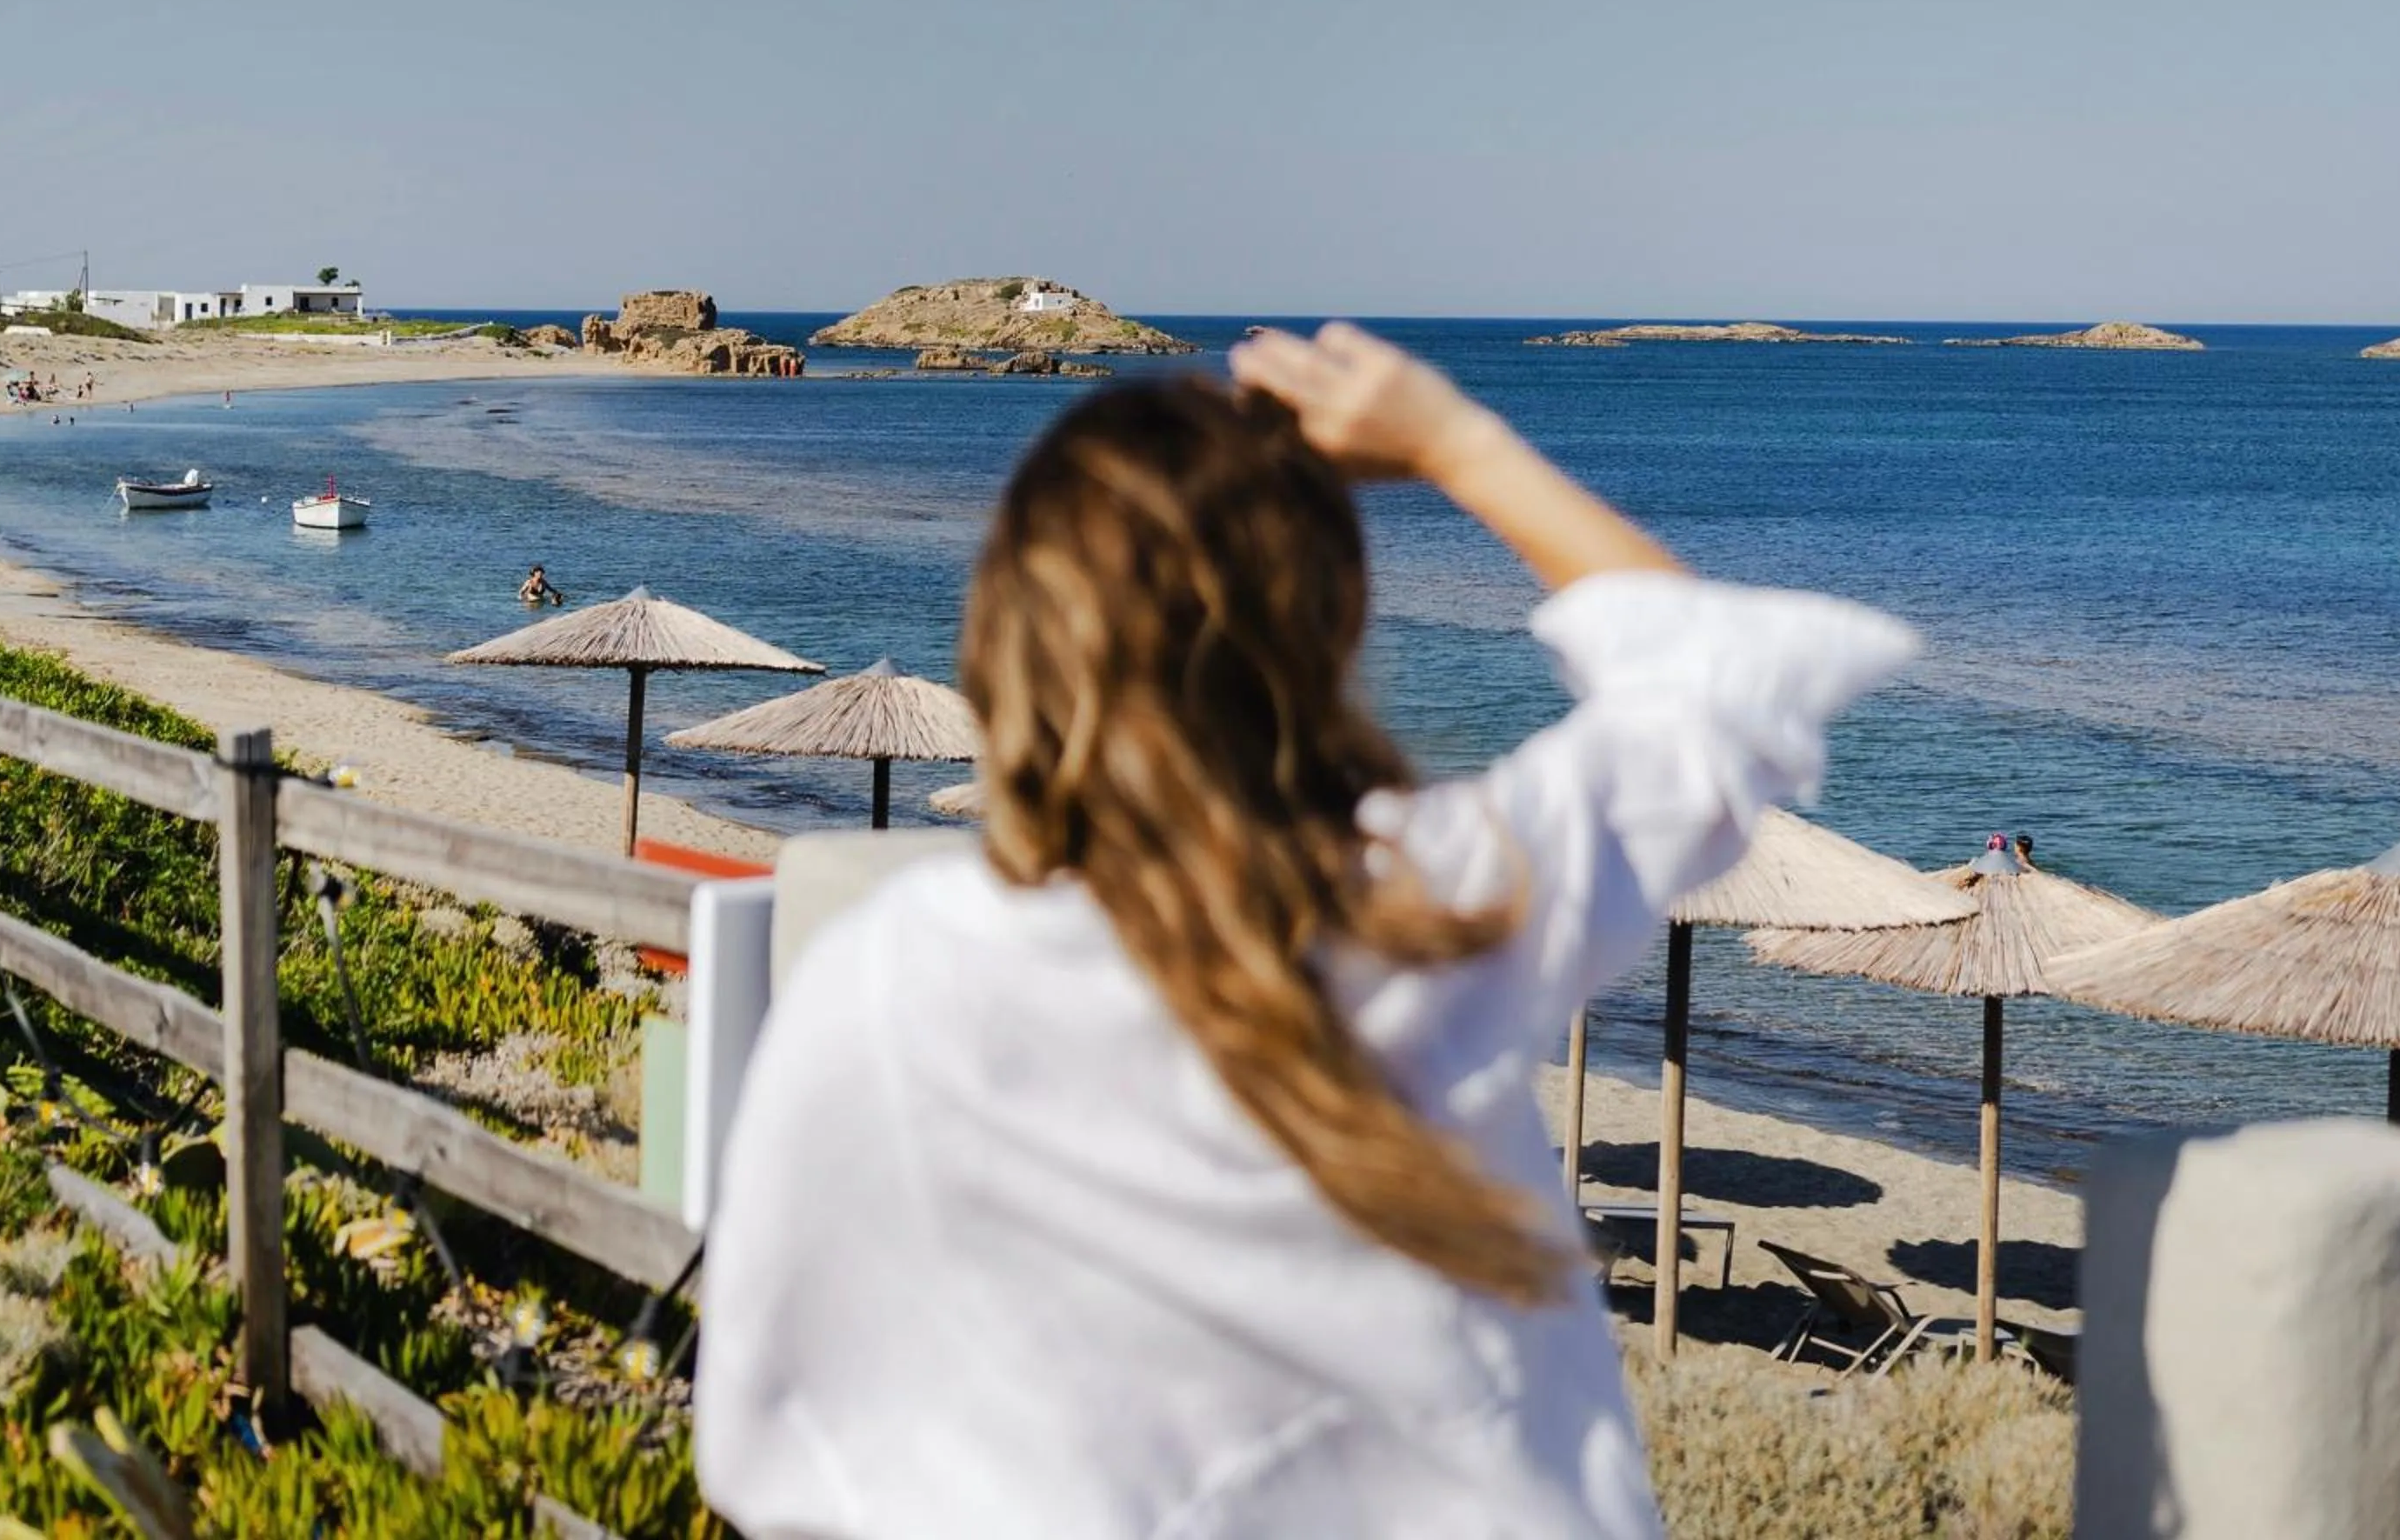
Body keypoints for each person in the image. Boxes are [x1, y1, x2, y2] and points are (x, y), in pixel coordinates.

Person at [695, 324, 1917, 1539]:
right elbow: (1721, 679)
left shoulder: (893, 974)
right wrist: (1453, 441)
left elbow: (775, 1442)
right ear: (1329, 634)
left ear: (1004, 637)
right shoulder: (1428, 914)